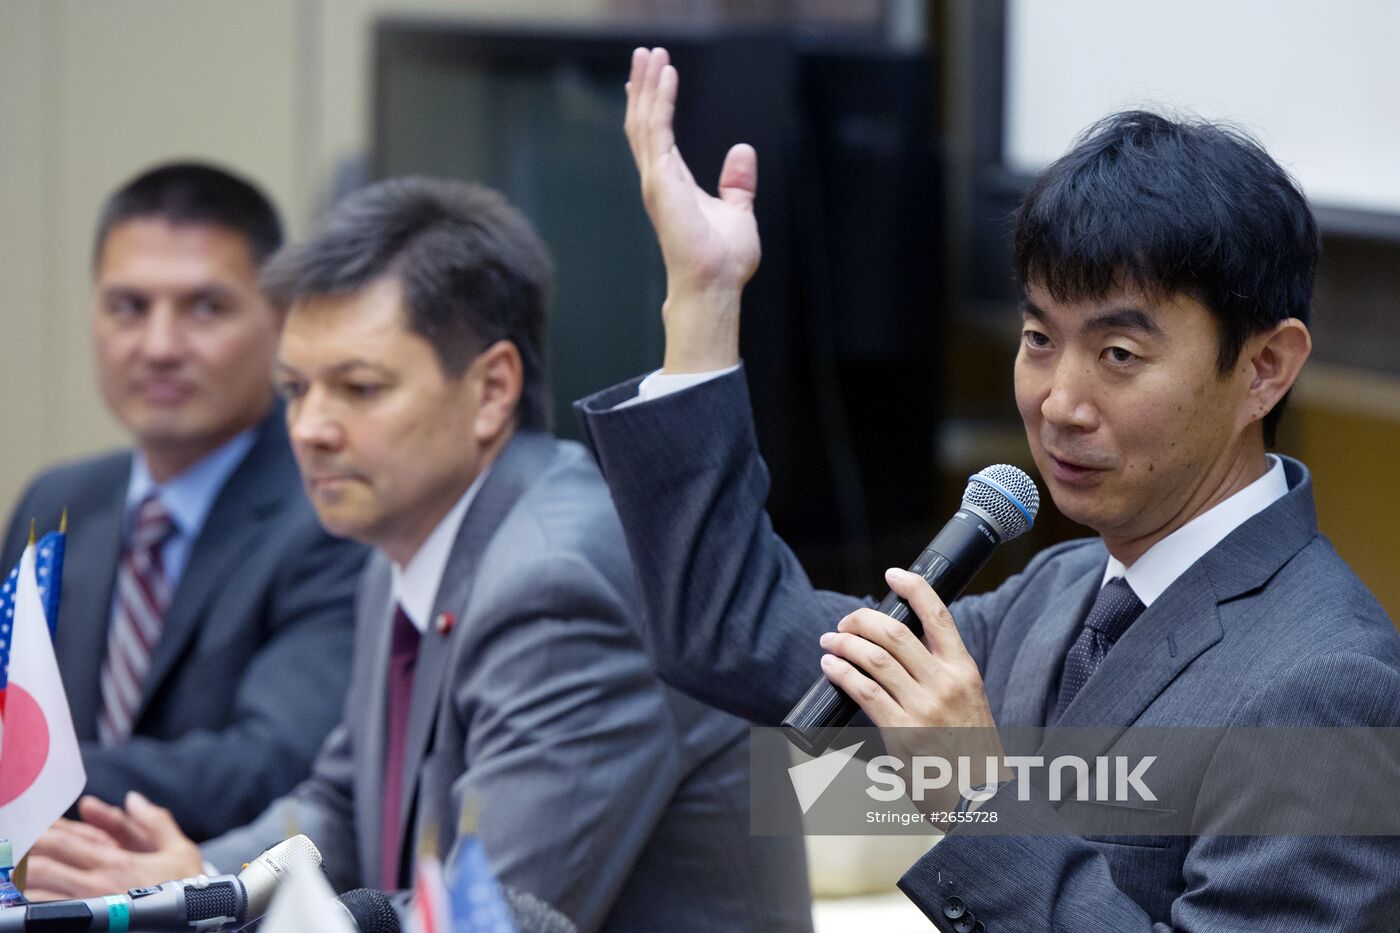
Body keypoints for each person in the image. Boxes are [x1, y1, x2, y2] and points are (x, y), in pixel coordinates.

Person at [574, 48, 1400, 929]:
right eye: (1040, 338)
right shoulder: (1060, 591)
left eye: (1119, 355)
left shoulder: (1332, 683)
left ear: (1266, 367)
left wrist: (974, 797)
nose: (1060, 401)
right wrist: (703, 299)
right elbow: (732, 630)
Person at [25, 177, 812, 932]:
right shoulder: (404, 532)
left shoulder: (559, 579)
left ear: (493, 389)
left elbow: (487, 910)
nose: (311, 429)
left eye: (358, 388)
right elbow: (337, 803)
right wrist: (193, 882)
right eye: (297, 389)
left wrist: (208, 906)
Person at [2, 163, 364, 842]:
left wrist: (22, 773)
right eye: (128, 307)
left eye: (205, 308)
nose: (160, 347)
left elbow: (271, 763)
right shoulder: (58, 500)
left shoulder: (331, 507)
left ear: (282, 320)